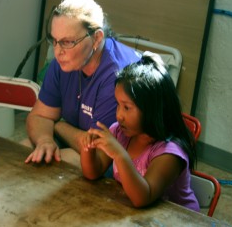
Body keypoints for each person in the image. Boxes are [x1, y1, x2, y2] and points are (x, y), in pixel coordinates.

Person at [25, 0, 141, 164]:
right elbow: (39, 117)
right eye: (54, 41)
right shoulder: (63, 62)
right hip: (80, 142)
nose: (57, 52)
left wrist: (58, 125)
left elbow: (96, 150)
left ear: (97, 38)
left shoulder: (118, 76)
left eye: (67, 42)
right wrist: (45, 141)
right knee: (27, 148)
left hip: (115, 162)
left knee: (48, 165)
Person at [80, 52, 200, 211]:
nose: (119, 115)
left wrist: (120, 155)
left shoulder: (169, 153)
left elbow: (143, 197)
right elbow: (93, 173)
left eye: (127, 107)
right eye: (118, 105)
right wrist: (88, 148)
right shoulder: (119, 133)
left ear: (152, 110)